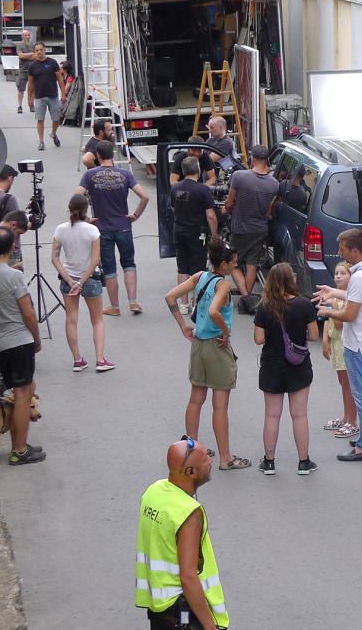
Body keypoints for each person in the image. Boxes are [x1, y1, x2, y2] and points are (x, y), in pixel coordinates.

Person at [165, 239, 250, 472]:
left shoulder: (201, 276)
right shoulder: (222, 284)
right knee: (220, 405)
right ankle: (225, 457)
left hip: (199, 346)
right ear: (223, 264)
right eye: (233, 263)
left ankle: (191, 450)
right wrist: (225, 330)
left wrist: (183, 325)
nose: (235, 265)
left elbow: (170, 297)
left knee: (196, 399)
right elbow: (214, 311)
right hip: (217, 346)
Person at [135, 438, 229, 630]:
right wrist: (210, 626)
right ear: (191, 472)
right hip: (182, 613)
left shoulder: (153, 492)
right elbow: (188, 576)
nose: (211, 461)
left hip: (159, 609)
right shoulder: (188, 513)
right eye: (205, 459)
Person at [0, 227, 45, 466]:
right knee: (23, 395)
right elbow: (28, 314)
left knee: (20, 391)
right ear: (12, 247)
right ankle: (20, 450)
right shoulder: (14, 276)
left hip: (0, 343)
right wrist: (36, 338)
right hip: (19, 340)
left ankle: (19, 440)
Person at [316, 229, 362, 462]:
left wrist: (326, 310)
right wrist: (333, 291)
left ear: (355, 251)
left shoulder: (359, 277)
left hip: (359, 344)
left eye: (343, 249)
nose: (340, 253)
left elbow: (349, 314)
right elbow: (359, 298)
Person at [254, 262, 320, 475]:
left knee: (272, 415)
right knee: (299, 415)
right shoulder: (304, 305)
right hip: (298, 366)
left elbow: (258, 338)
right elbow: (313, 335)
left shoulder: (264, 307)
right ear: (291, 280)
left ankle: (269, 462)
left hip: (272, 366)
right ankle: (303, 462)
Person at [75, 140, 149, 316]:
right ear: (113, 154)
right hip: (124, 226)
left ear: (98, 156)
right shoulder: (125, 174)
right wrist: (135, 215)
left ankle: (115, 307)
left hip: (102, 228)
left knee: (109, 268)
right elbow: (144, 196)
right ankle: (133, 302)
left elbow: (76, 197)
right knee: (129, 264)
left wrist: (86, 218)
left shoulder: (90, 175)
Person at [51, 193, 114, 373]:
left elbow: (54, 258)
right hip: (90, 279)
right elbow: (95, 260)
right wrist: (81, 281)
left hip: (68, 279)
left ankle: (77, 359)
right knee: (97, 320)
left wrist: (70, 280)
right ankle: (100, 359)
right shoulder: (92, 231)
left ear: (69, 209)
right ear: (86, 210)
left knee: (71, 319)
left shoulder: (61, 229)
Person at [223, 144, 278, 307]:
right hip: (260, 229)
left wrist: (225, 208)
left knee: (232, 263)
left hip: (240, 228)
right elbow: (268, 211)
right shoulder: (274, 184)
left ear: (252, 158)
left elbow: (229, 202)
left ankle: (246, 297)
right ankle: (248, 302)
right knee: (252, 264)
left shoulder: (239, 176)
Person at [171, 156, 218, 314]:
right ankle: (197, 302)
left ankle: (183, 304)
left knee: (182, 267)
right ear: (198, 170)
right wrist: (215, 235)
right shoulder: (203, 189)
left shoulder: (175, 188)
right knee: (198, 268)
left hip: (178, 232)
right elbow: (211, 215)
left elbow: (173, 208)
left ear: (183, 171)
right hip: (197, 233)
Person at [321, 261, 358, 439]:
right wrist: (325, 340)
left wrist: (333, 307)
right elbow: (328, 322)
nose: (338, 276)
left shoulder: (345, 301)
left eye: (343, 273)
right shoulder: (333, 299)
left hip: (344, 344)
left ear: (351, 277)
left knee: (349, 385)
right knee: (342, 384)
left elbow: (339, 323)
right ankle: (345, 417)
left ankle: (352, 421)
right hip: (335, 344)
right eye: (336, 273)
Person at [27, 41, 67, 151]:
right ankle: (41, 142)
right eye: (37, 50)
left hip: (53, 95)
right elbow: (30, 84)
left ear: (45, 50)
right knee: (40, 119)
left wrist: (63, 94)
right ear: (35, 52)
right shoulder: (32, 66)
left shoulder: (52, 63)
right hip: (39, 97)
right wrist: (29, 98)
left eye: (41, 50)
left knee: (56, 118)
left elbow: (60, 79)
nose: (39, 52)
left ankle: (53, 133)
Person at [15, 30, 34, 114]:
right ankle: (20, 106)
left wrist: (25, 56)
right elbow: (20, 55)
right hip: (23, 70)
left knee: (32, 89)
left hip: (32, 70)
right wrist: (31, 54)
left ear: (30, 36)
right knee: (21, 89)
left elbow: (36, 56)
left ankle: (31, 105)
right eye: (25, 35)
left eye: (28, 35)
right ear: (22, 36)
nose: (27, 36)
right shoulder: (19, 45)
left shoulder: (33, 45)